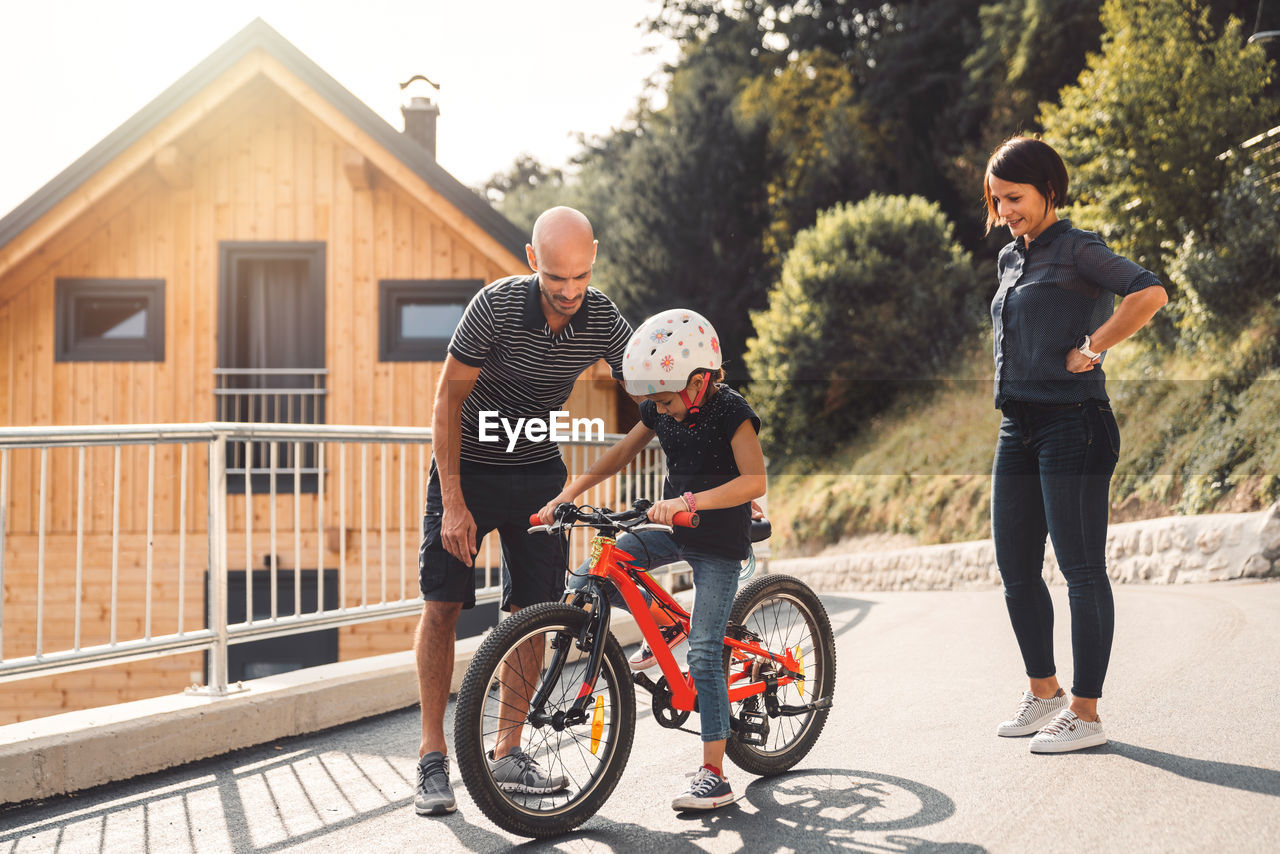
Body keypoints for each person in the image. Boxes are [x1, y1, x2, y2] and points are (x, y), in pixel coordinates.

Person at [413, 206, 632, 815]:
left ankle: (507, 753)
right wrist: (453, 501)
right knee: (443, 603)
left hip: (536, 469)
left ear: (593, 261)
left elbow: (647, 382)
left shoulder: (602, 316)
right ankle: (434, 758)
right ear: (533, 259)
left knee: (535, 609)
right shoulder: (496, 308)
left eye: (581, 277)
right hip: (470, 467)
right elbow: (446, 401)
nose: (568, 291)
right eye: (557, 277)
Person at [537, 308, 767, 811]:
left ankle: (714, 775)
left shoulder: (731, 411)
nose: (659, 410)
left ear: (700, 381)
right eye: (654, 402)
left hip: (720, 543)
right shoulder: (663, 409)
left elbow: (755, 482)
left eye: (665, 399)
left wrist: (691, 503)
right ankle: (665, 626)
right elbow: (619, 455)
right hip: (675, 532)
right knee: (602, 565)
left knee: (705, 655)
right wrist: (565, 495)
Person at [983, 136, 1168, 753]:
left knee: (1081, 569)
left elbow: (1149, 292)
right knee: (1014, 567)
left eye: (1016, 197)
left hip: (1075, 424)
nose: (1006, 209)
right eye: (998, 199)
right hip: (1019, 424)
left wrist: (1092, 348)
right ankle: (1045, 693)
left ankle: (1086, 714)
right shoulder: (1012, 258)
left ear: (1049, 190)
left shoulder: (1078, 248)